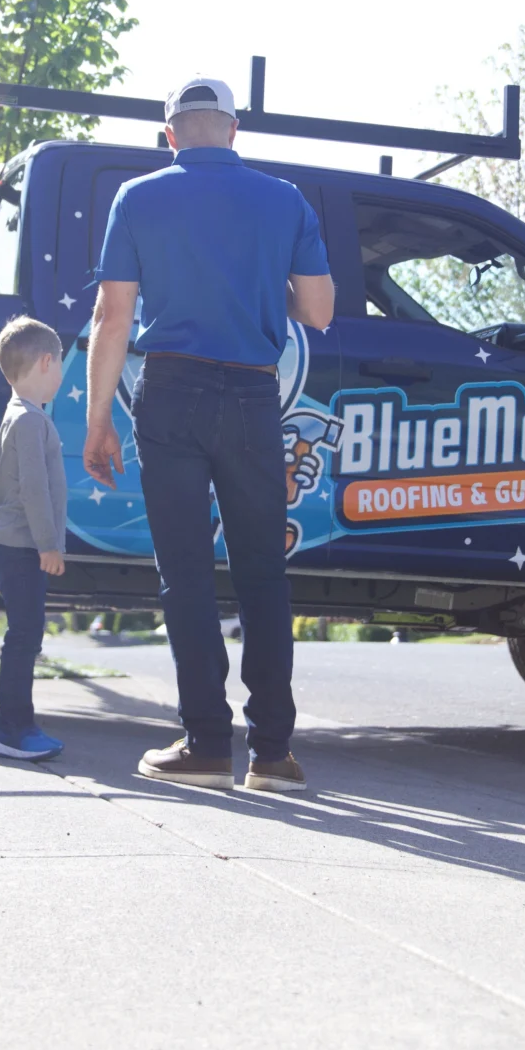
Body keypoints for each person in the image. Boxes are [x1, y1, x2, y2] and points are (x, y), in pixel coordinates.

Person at [85, 77, 334, 792]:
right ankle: (274, 754)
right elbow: (317, 311)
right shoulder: (284, 200)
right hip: (253, 397)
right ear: (232, 130)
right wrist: (263, 285)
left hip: (170, 394)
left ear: (170, 135)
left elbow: (112, 318)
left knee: (186, 574)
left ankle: (203, 746)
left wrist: (100, 420)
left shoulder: (138, 198)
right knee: (262, 571)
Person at [0, 316, 69, 761]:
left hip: (14, 540)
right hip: (22, 544)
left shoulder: (18, 414)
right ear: (44, 362)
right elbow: (34, 489)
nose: (61, 375)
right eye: (59, 365)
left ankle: (8, 723)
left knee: (24, 633)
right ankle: (15, 727)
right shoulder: (31, 421)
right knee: (25, 636)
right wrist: (48, 544)